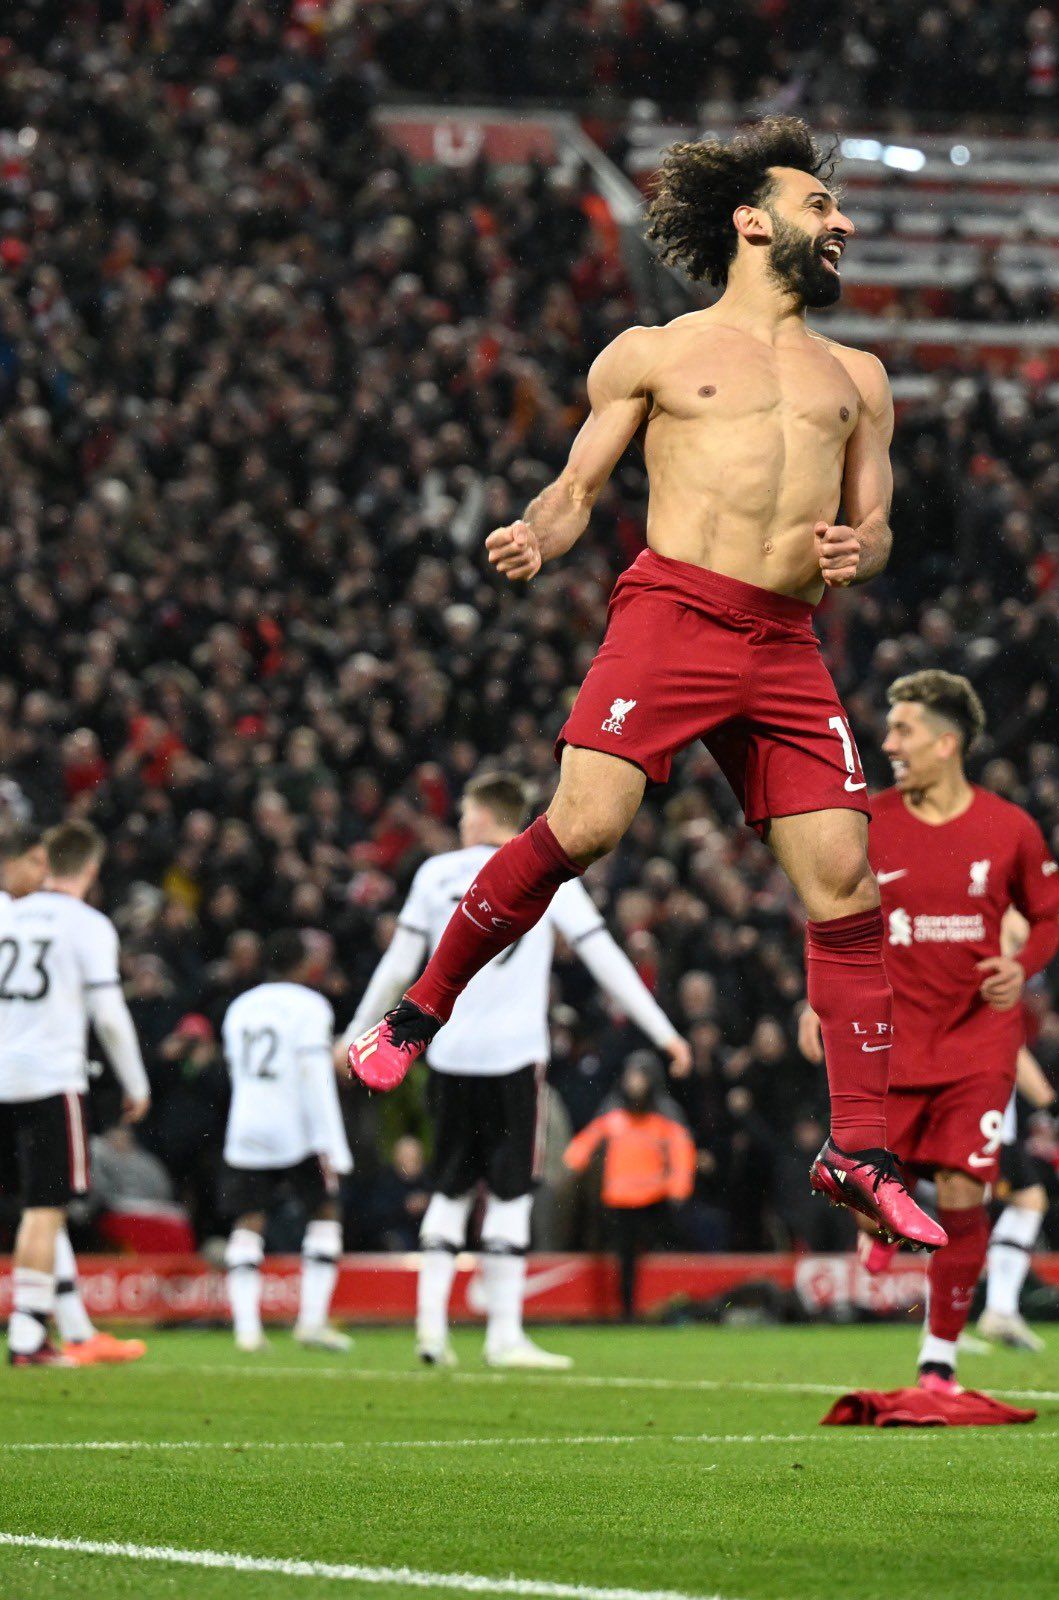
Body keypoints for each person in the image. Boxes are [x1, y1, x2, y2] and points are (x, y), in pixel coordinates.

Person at [346, 115, 945, 1253]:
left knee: (846, 880)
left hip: (785, 641)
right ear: (751, 220)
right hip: (672, 611)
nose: (844, 224)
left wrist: (865, 549)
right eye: (822, 208)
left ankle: (856, 1150)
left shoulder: (859, 378)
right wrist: (537, 528)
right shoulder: (653, 352)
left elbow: (876, 518)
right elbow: (577, 487)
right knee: (590, 821)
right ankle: (423, 1005)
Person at [342, 771, 689, 1368]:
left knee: (447, 1189)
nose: (459, 827)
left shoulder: (432, 875)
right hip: (514, 1059)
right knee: (509, 1194)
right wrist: (664, 1033)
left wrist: (357, 1034)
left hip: (445, 1054)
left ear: (480, 815)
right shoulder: (550, 869)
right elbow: (604, 957)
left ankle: (430, 1332)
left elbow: (398, 965)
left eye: (463, 817)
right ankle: (504, 1335)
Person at [801, 671, 1059, 1394]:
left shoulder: (1009, 828)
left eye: (902, 731)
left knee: (964, 1194)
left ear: (947, 743)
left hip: (978, 1043)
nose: (887, 744)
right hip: (890, 1039)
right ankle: (875, 1223)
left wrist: (1023, 967)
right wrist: (814, 1004)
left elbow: (1047, 916)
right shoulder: (868, 821)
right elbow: (830, 912)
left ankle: (938, 1361)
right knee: (879, 1191)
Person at [1, 821, 151, 1367]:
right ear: (90, 869)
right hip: (50, 1080)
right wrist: (136, 1082)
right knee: (46, 1210)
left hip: (2, 1076)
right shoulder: (87, 925)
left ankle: (68, 1329)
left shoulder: (7, 915)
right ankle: (26, 1338)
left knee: (34, 1210)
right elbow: (109, 1016)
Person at [220, 930, 353, 1354]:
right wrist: (333, 1142)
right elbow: (315, 1074)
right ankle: (311, 1322)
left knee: (248, 1221)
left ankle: (246, 1331)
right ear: (303, 966)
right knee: (325, 1212)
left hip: (246, 1123)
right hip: (297, 1126)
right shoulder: (310, 1006)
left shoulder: (240, 1006)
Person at [563, 1056, 697, 1321]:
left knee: (659, 1254)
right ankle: (627, 1311)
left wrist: (678, 1189)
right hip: (620, 1199)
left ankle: (668, 1308)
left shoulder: (664, 1115)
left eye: (640, 1077)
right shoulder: (614, 1113)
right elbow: (583, 1146)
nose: (634, 1084)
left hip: (654, 1198)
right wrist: (572, 1164)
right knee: (625, 1260)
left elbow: (682, 1154)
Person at [977, 1043, 1059, 1353]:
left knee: (1026, 1202)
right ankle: (993, 1310)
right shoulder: (994, 1004)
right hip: (989, 1127)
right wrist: (1054, 1105)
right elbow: (1014, 1053)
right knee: (965, 1216)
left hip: (964, 1123)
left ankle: (997, 1309)